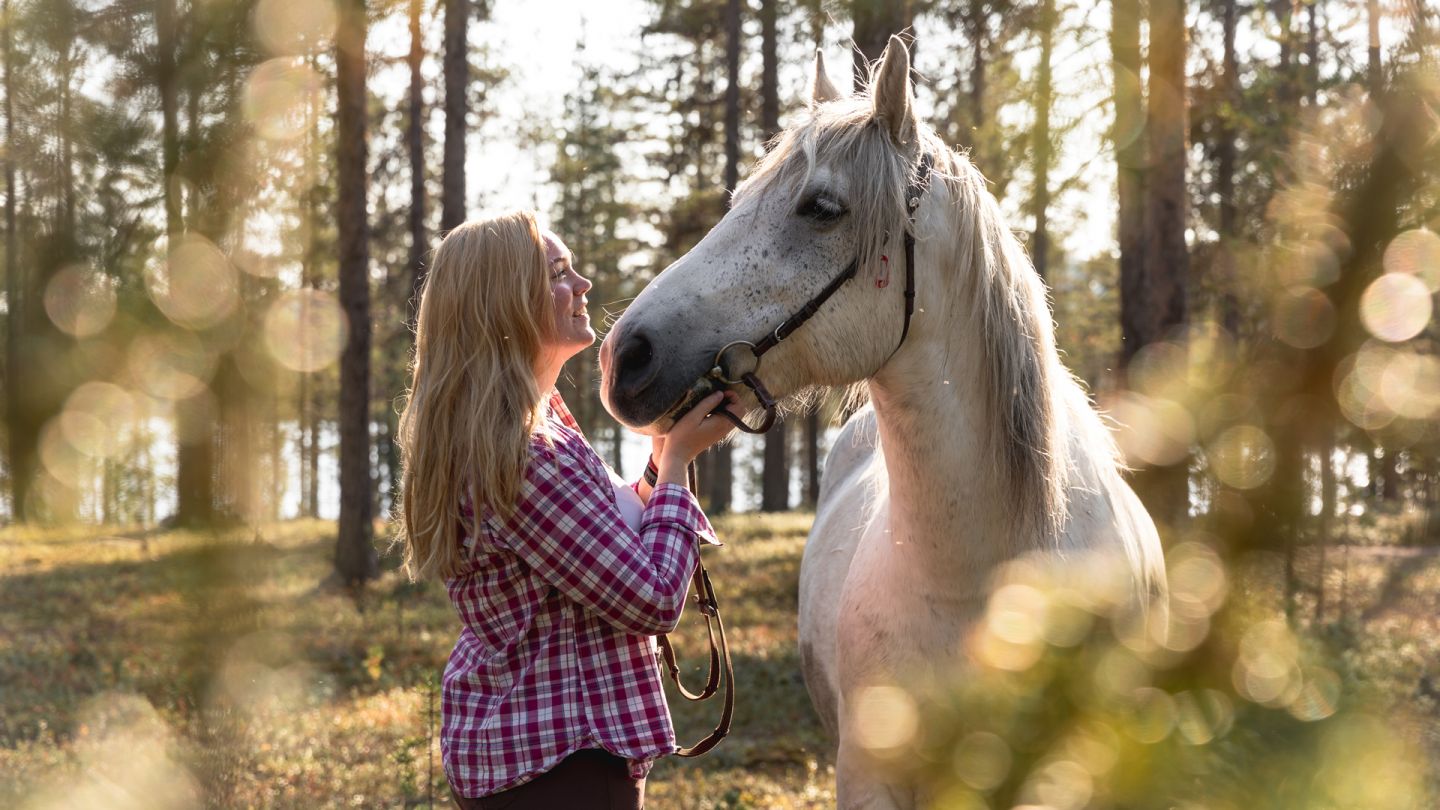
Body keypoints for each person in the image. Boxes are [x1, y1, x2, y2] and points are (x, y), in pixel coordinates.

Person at [394, 210, 738, 809]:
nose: (582, 285)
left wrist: (661, 456)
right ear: (506, 303)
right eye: (558, 272)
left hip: (534, 752)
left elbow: (604, 534)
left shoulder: (532, 427)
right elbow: (651, 598)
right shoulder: (523, 455)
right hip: (561, 764)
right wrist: (680, 461)